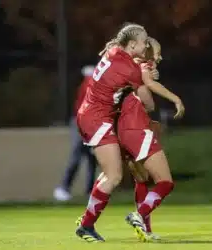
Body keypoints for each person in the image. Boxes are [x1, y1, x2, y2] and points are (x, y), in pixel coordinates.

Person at [82, 37, 184, 241]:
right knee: (165, 182)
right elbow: (148, 102)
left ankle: (92, 221)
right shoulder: (139, 69)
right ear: (143, 52)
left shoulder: (122, 63)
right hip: (135, 127)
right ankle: (138, 215)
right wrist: (174, 99)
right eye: (156, 52)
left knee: (137, 178)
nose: (159, 56)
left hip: (120, 128)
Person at [75, 23, 154, 242]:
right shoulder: (130, 68)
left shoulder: (114, 51)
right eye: (143, 41)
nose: (146, 44)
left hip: (91, 115)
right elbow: (147, 102)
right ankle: (87, 225)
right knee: (115, 176)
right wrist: (147, 85)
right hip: (96, 118)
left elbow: (121, 74)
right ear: (131, 44)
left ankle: (87, 221)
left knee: (108, 173)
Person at [53, 65, 97, 201]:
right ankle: (63, 188)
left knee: (92, 158)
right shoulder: (90, 83)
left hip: (91, 124)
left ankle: (90, 191)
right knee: (77, 155)